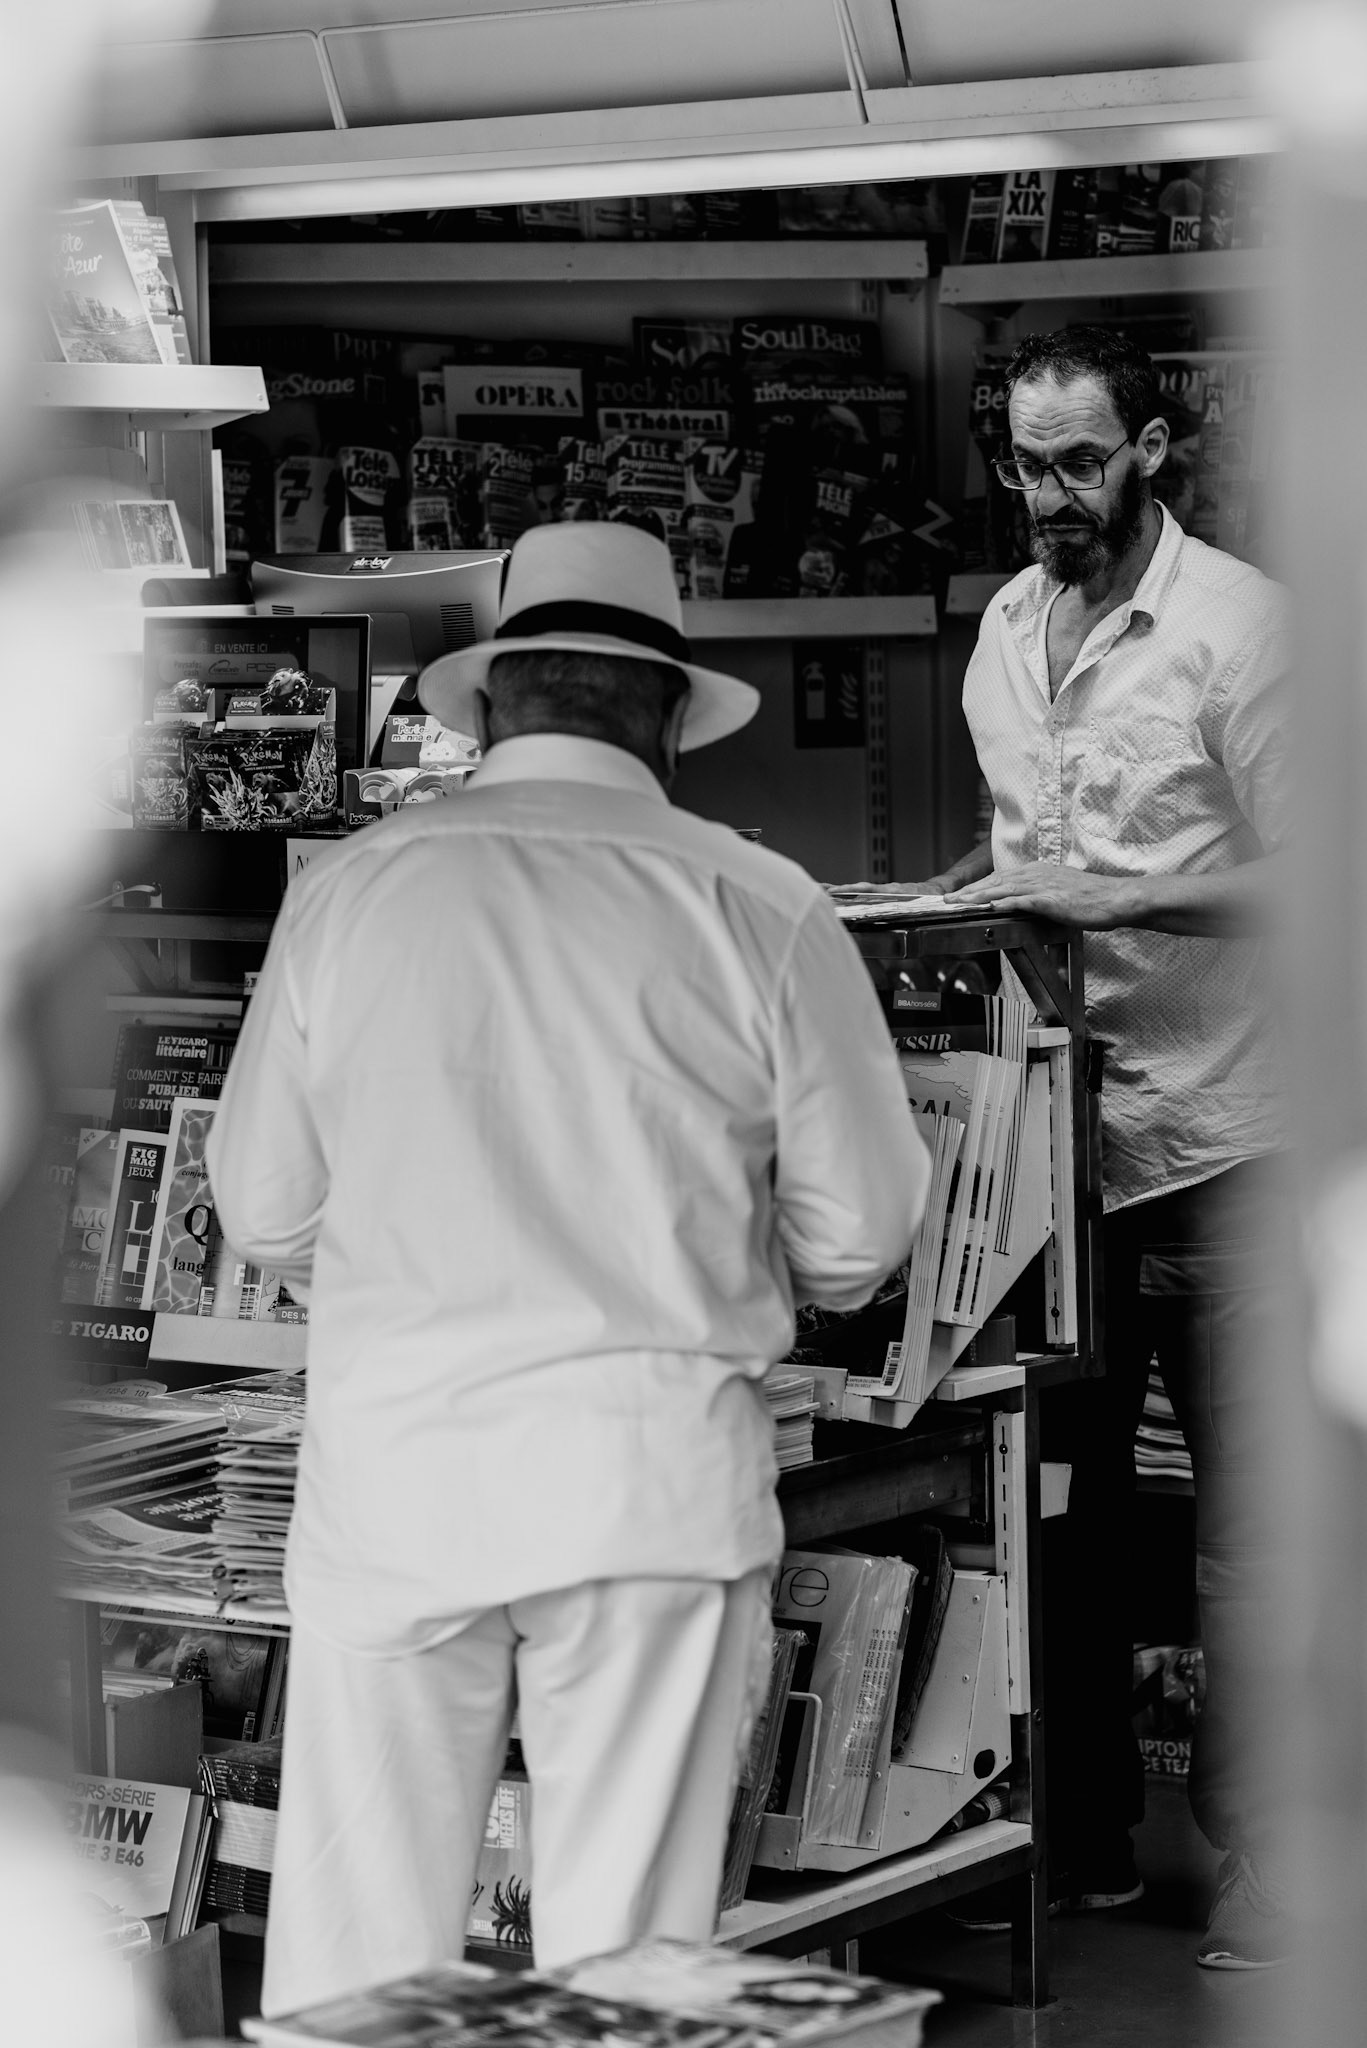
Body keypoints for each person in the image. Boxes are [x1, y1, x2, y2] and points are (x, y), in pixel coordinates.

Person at [207, 520, 930, 2014]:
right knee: (633, 1971)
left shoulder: (352, 891)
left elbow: (264, 1207)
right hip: (648, 1479)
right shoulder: (760, 905)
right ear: (669, 714)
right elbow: (860, 1239)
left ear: (484, 707)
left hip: (401, 1467)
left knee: (360, 1952)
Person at [904, 327, 1288, 1969]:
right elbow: (1034, 847)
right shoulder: (1004, 626)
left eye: (1078, 461)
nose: (1048, 496)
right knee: (1047, 1505)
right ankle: (1078, 1842)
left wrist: (1106, 899)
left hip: (1228, 1142)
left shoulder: (1242, 627)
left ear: (1149, 452)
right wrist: (958, 896)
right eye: (1023, 462)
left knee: (1255, 1534)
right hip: (1055, 1151)